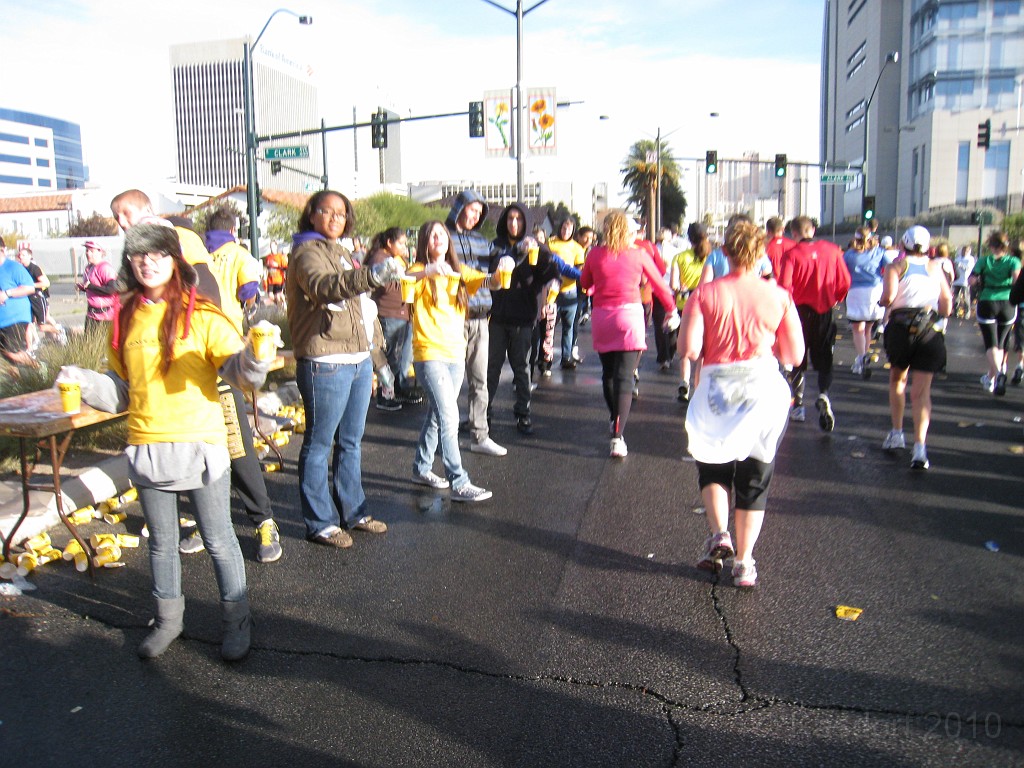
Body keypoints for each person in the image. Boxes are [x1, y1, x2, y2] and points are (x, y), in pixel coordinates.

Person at [64, 223, 273, 660]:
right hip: (147, 447)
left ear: (175, 260)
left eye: (157, 254)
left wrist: (256, 358)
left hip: (200, 447)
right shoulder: (125, 317)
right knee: (161, 543)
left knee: (218, 539)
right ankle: (168, 622)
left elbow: (238, 373)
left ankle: (237, 622)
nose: (147, 262)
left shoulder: (204, 315)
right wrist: (83, 382)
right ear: (129, 262)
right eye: (138, 255)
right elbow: (121, 390)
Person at [681, 219, 804, 588]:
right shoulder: (779, 296)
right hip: (763, 386)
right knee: (755, 474)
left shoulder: (704, 295)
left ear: (726, 252)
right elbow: (794, 354)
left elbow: (688, 349)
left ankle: (720, 533)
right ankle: (745, 563)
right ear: (761, 251)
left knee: (714, 463)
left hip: (719, 385)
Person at [287, 190, 403, 547]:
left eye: (342, 213)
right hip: (325, 361)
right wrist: (372, 275)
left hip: (356, 359)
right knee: (320, 444)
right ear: (312, 215)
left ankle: (354, 512)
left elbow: (363, 310)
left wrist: (377, 360)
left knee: (351, 442)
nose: (336, 218)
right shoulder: (306, 253)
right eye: (328, 211)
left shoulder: (342, 252)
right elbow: (325, 289)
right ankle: (321, 521)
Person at [198, 205, 283, 563]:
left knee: (233, 442)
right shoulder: (239, 254)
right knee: (218, 444)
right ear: (233, 229)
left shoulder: (200, 254)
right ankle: (212, 523)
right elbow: (250, 291)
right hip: (215, 356)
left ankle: (263, 520)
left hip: (220, 355)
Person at [408, 220, 505, 501]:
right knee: (450, 416)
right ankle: (459, 481)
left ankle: (421, 468)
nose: (437, 238)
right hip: (429, 354)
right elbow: (401, 280)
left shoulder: (459, 272)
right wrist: (427, 271)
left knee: (437, 417)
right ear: (424, 242)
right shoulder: (417, 272)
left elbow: (490, 282)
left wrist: (502, 272)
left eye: (441, 234)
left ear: (448, 241)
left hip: (455, 354)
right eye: (431, 235)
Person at [580, 211, 678, 458]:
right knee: (625, 378)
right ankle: (617, 436)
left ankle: (615, 420)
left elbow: (585, 281)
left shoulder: (594, 254)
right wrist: (671, 309)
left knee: (609, 375)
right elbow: (659, 284)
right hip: (629, 317)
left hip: (603, 317)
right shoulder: (638, 255)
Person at [486, 203, 566, 440]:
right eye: (510, 219)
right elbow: (490, 269)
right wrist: (515, 252)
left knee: (522, 368)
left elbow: (552, 273)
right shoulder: (497, 245)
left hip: (523, 316)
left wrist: (554, 285)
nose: (514, 223)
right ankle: (484, 413)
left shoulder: (537, 247)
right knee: (492, 368)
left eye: (519, 219)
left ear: (526, 222)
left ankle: (523, 413)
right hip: (497, 315)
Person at [878, 226, 952, 470]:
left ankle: (897, 432)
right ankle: (920, 448)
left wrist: (883, 301)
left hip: (901, 329)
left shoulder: (896, 267)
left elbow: (888, 298)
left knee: (898, 380)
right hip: (928, 329)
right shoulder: (936, 268)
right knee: (922, 393)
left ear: (903, 244)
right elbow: (947, 304)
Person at [445, 189, 505, 456]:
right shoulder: (442, 237)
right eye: (472, 210)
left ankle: (480, 436)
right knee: (450, 384)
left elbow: (500, 257)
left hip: (481, 319)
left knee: (480, 381)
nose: (476, 216)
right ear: (460, 208)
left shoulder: (482, 241)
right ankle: (444, 439)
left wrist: (510, 256)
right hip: (453, 318)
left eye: (479, 213)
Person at [778, 215, 851, 431]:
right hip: (824, 311)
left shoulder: (791, 255)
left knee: (798, 358)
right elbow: (845, 281)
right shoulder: (832, 250)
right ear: (812, 230)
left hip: (799, 312)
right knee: (825, 358)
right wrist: (836, 297)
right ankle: (823, 394)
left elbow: (784, 286)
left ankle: (798, 405)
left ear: (794, 234)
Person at [366, 227, 423, 411]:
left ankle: (397, 388)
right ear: (389, 242)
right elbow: (384, 286)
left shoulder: (392, 259)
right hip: (389, 313)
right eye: (401, 243)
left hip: (400, 313)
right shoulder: (380, 259)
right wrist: (405, 280)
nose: (404, 247)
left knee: (398, 355)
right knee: (390, 356)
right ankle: (386, 395)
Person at [971, 231, 1020, 395]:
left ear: (991, 245)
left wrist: (980, 281)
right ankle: (992, 376)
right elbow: (1016, 281)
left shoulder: (984, 260)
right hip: (1007, 302)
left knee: (991, 343)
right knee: (1001, 342)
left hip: (987, 300)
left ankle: (997, 374)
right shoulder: (1013, 261)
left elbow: (972, 279)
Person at [670, 222, 713, 402]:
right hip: (707, 307)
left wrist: (684, 289)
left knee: (685, 349)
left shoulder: (679, 257)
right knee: (703, 349)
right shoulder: (713, 257)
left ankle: (684, 382)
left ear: (688, 238)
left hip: (685, 306)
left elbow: (673, 285)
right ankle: (699, 386)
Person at [842, 227, 890, 377]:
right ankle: (862, 357)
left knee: (858, 329)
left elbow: (842, 272)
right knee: (868, 328)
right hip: (875, 290)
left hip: (855, 291)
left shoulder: (849, 255)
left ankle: (861, 357)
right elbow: (890, 267)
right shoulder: (879, 252)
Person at [548, 215, 587, 370]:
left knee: (568, 327)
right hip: (552, 292)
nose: (566, 230)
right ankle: (545, 358)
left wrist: (567, 271)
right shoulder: (550, 243)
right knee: (547, 328)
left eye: (569, 228)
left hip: (570, 292)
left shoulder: (577, 248)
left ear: (573, 230)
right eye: (564, 227)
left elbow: (579, 271)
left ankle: (566, 357)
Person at [0, 243, 36, 367]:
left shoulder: (13, 267)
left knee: (12, 352)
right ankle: (15, 384)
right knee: (6, 358)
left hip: (15, 318)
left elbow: (29, 288)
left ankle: (39, 367)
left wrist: (7, 293)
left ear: (2, 249)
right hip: (1, 319)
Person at [77, 241, 120, 336]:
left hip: (105, 316)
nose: (88, 253)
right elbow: (93, 288)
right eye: (87, 250)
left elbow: (111, 290)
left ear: (100, 252)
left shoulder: (105, 268)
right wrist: (84, 288)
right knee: (88, 344)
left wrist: (91, 286)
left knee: (104, 346)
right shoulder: (89, 268)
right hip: (91, 314)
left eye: (92, 251)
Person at [654, 227, 682, 371]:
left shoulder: (653, 250)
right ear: (670, 236)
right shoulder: (676, 252)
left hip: (656, 290)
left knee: (659, 324)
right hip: (672, 291)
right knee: (672, 323)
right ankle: (671, 353)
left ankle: (663, 356)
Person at [15, 244, 50, 353]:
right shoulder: (19, 269)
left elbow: (45, 282)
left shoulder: (34, 268)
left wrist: (30, 285)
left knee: (42, 327)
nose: (21, 257)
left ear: (30, 257)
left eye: (23, 255)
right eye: (20, 255)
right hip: (26, 300)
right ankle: (29, 349)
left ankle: (60, 331)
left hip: (37, 299)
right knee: (28, 325)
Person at [953, 244, 976, 319]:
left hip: (965, 281)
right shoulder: (958, 258)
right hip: (956, 281)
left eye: (966, 251)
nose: (965, 252)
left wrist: (960, 265)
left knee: (966, 297)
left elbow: (968, 268)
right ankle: (955, 311)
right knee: (956, 297)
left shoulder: (970, 259)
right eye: (964, 250)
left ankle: (967, 313)